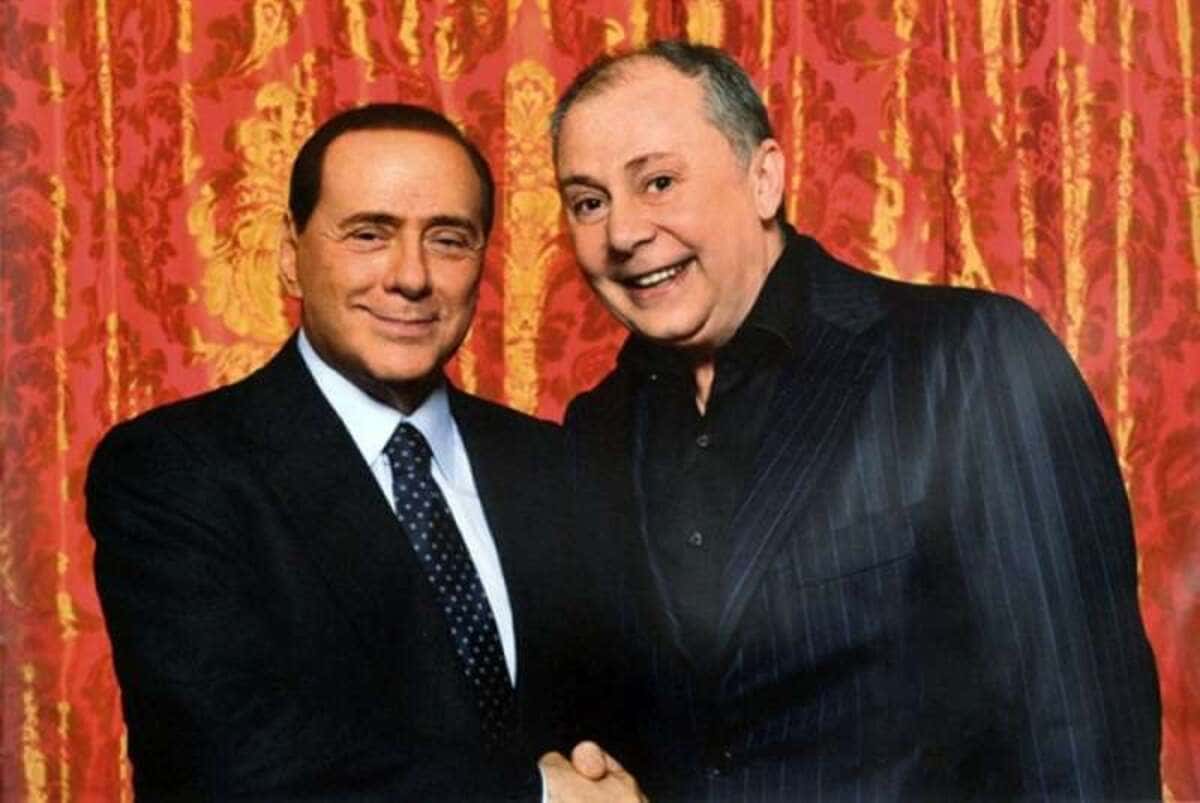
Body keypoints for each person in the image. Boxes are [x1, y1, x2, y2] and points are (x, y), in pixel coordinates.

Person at [553, 41, 1162, 801]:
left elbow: (1081, 733)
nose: (622, 232)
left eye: (659, 182)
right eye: (589, 202)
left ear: (763, 179)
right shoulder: (596, 429)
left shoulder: (969, 358)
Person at [86, 103, 643, 802]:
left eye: (448, 239)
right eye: (369, 234)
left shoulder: (553, 465)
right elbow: (225, 763)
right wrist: (536, 795)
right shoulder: (176, 469)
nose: (411, 276)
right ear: (289, 255)